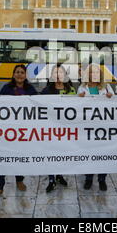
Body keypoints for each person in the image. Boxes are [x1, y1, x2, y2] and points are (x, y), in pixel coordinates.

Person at [0, 65, 38, 200]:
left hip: (23, 130)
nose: (19, 75)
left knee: (20, 157)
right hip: (7, 129)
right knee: (2, 158)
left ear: (25, 75)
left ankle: (19, 180)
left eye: (22, 72)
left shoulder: (30, 89)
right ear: (13, 74)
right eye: (17, 72)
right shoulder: (6, 88)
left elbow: (38, 103)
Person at [78, 64, 114, 191]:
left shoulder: (107, 87)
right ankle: (88, 178)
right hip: (88, 127)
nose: (94, 75)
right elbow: (76, 106)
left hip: (103, 127)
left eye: (97, 72)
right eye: (92, 72)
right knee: (89, 153)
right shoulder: (82, 87)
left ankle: (102, 179)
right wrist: (79, 99)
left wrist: (111, 97)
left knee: (103, 153)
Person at [41, 64, 75, 193]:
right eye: (55, 73)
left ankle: (60, 176)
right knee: (51, 153)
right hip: (51, 129)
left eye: (60, 73)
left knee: (62, 153)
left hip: (65, 129)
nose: (58, 76)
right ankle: (51, 179)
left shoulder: (71, 90)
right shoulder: (46, 91)